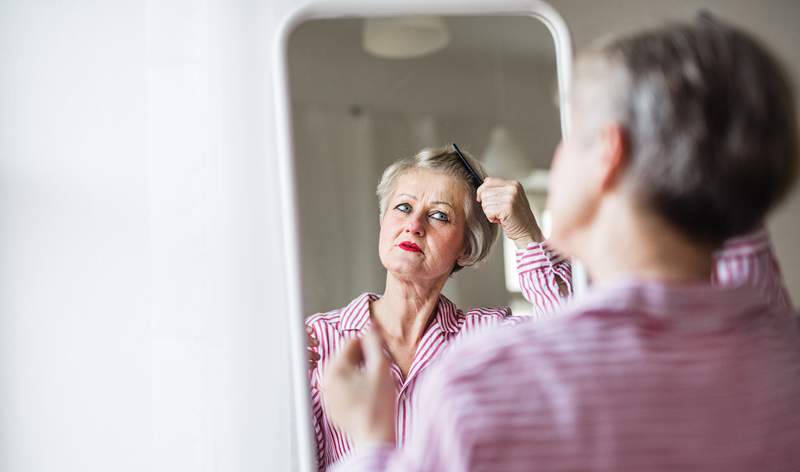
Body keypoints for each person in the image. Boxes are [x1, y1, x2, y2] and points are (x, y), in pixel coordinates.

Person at [321, 17, 800, 471]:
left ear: (607, 155)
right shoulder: (785, 360)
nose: (415, 225)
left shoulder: (487, 370)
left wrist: (370, 440)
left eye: (569, 136)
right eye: (403, 208)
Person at [305, 146, 567, 470]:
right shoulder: (317, 340)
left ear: (467, 249)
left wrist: (528, 236)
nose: (414, 225)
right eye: (403, 207)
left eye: (439, 215)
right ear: (382, 222)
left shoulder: (487, 340)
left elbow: (575, 348)